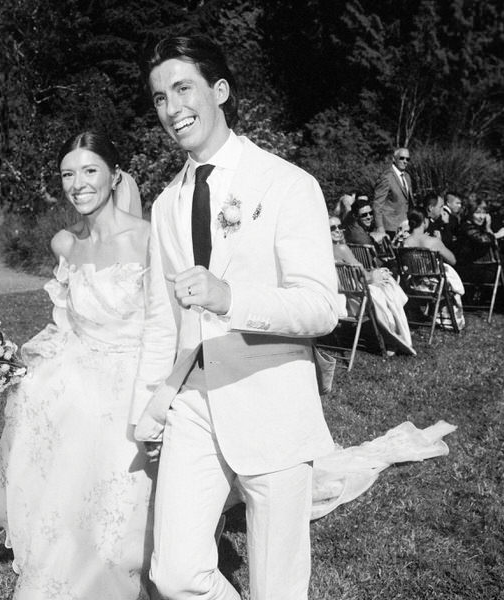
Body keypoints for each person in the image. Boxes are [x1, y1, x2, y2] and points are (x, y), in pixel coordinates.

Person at [134, 34, 345, 600]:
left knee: (278, 587)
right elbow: (161, 317)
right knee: (174, 575)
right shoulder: (165, 204)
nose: (172, 108)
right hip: (194, 405)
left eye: (183, 89)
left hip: (271, 399)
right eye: (159, 98)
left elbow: (323, 306)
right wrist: (151, 404)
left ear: (219, 91)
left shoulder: (287, 184)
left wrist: (231, 297)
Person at [0, 131, 155, 599]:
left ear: (115, 176)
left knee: (117, 512)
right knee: (47, 432)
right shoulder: (65, 245)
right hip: (80, 373)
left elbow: (168, 326)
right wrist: (15, 364)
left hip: (134, 379)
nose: (78, 184)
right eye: (67, 174)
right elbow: (64, 326)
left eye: (89, 170)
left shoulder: (152, 238)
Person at [330, 217, 415, 356]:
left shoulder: (323, 251)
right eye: (332, 228)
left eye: (339, 227)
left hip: (344, 295)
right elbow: (364, 276)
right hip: (358, 299)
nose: (338, 230)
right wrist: (377, 273)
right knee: (388, 284)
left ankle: (394, 334)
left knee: (385, 283)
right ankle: (394, 336)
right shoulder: (342, 248)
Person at [401, 209, 465, 330]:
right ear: (425, 221)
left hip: (413, 286)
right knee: (448, 277)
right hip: (433, 287)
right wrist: (440, 242)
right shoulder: (433, 242)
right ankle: (449, 320)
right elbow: (453, 260)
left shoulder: (405, 243)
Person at [372, 147, 414, 238]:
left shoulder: (407, 177)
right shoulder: (386, 177)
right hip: (389, 228)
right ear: (394, 159)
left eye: (407, 159)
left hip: (404, 227)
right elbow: (377, 204)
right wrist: (380, 227)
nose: (405, 161)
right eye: (402, 158)